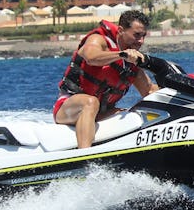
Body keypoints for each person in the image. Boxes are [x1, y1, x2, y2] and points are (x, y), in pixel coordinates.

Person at [54, 10, 159, 148]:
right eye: (137, 35)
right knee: (91, 102)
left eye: (144, 36)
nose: (141, 41)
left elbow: (150, 91)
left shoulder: (131, 63)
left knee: (133, 115)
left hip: (101, 113)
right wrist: (121, 55)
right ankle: (85, 159)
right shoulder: (98, 40)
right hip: (68, 108)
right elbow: (91, 58)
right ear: (121, 30)